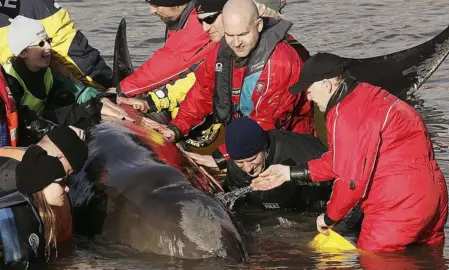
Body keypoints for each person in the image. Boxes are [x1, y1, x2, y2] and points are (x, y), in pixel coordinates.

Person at [250, 52, 448, 252]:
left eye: (308, 89)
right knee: (430, 258)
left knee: (373, 260)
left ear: (326, 85)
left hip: (397, 205)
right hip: (434, 194)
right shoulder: (370, 94)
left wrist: (330, 217)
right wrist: (288, 173)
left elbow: (351, 181)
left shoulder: (343, 114)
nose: (307, 97)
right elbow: (341, 161)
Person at [154, 0, 313, 155]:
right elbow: (202, 92)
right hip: (243, 135)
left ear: (258, 25)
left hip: (284, 145)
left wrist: (223, 158)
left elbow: (267, 123)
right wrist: (176, 128)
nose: (236, 43)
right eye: (230, 35)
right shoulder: (220, 50)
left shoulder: (280, 63)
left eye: (243, 34)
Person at [118, 0, 286, 118]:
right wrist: (169, 120)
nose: (151, 10)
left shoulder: (207, 18)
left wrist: (122, 90)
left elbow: (173, 60)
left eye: (156, 3)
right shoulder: (207, 21)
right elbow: (201, 85)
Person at [1, 16, 134, 146]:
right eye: (41, 44)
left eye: (48, 40)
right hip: (25, 132)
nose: (48, 47)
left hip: (40, 120)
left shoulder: (46, 72)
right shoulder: (9, 81)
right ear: (22, 53)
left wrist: (106, 98)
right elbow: (26, 122)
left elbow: (78, 92)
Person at [190, 117, 331, 210]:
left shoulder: (300, 156)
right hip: (270, 210)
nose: (247, 168)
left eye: (252, 160)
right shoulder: (236, 166)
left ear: (264, 147)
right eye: (240, 162)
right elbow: (234, 201)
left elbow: (327, 198)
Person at [0, 126, 88, 263]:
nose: (67, 189)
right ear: (60, 157)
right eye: (66, 175)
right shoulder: (19, 198)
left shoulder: (11, 157)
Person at [0, 0, 112, 89]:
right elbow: (76, 55)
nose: (48, 46)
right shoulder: (38, 5)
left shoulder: (37, 5)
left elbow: (74, 53)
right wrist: (109, 87)